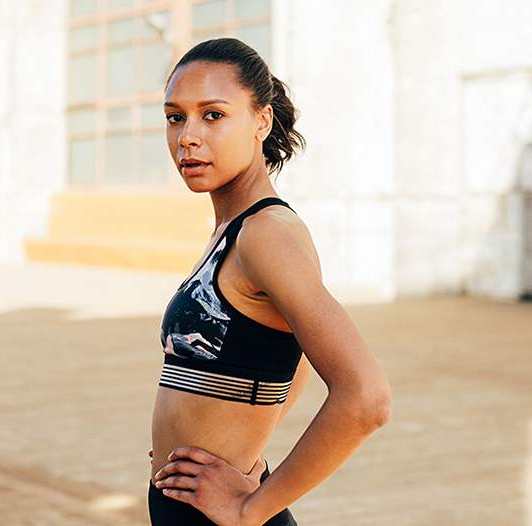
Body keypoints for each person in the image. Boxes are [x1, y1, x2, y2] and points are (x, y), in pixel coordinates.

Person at [148, 37, 392, 526]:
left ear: (261, 120)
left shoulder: (266, 234)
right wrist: (242, 441)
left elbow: (366, 398)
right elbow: (296, 352)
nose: (188, 137)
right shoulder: (234, 229)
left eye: (213, 115)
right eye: (176, 117)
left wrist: (250, 507)